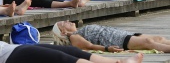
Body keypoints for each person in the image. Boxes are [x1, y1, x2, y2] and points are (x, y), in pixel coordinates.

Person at [53, 20, 170, 53]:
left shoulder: (78, 31)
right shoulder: (74, 37)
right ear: (63, 32)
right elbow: (90, 46)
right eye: (64, 23)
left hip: (121, 33)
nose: (68, 21)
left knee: (159, 39)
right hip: (115, 40)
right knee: (149, 42)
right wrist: (107, 49)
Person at [0, 41, 143, 63]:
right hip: (10, 56)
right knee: (62, 58)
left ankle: (116, 62)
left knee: (71, 50)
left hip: (14, 47)